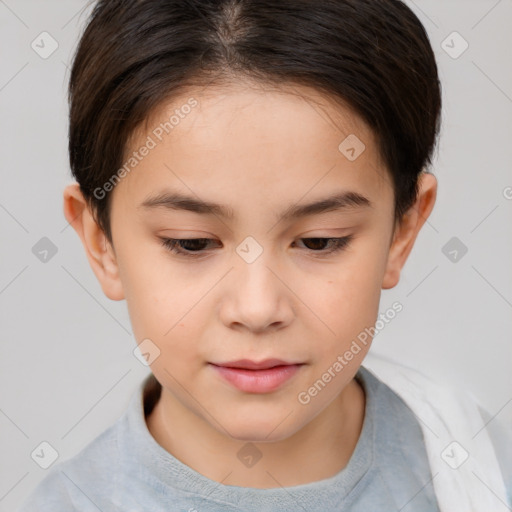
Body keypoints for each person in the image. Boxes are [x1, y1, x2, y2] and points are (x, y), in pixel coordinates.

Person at [17, 0, 511, 510]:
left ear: (402, 231)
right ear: (102, 244)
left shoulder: (484, 474)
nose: (257, 309)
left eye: (320, 241)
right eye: (191, 243)